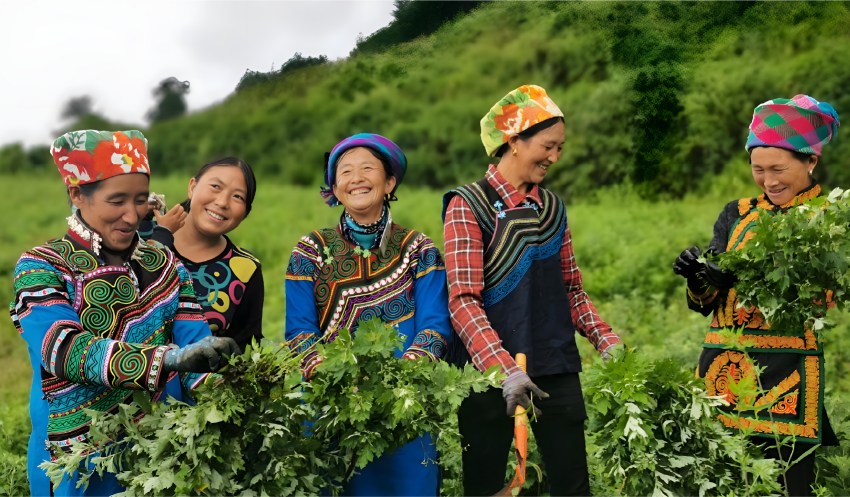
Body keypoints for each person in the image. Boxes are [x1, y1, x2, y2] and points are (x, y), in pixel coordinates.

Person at [10, 130, 239, 497]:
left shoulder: (162, 261)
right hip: (79, 461)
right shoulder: (42, 266)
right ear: (76, 194)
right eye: (117, 200)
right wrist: (168, 359)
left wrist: (225, 385)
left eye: (140, 200)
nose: (133, 216)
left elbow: (194, 340)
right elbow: (63, 350)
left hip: (162, 453)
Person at [442, 84, 623, 496]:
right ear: (515, 141)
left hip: (555, 365)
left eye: (561, 147)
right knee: (486, 485)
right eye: (548, 146)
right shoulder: (468, 205)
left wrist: (606, 340)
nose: (555, 157)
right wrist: (505, 370)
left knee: (571, 484)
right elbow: (464, 302)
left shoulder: (553, 207)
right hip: (488, 379)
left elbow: (572, 289)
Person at [673, 94, 840, 496]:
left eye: (779, 169)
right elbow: (706, 303)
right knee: (724, 478)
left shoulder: (828, 219)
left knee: (789, 480)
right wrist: (699, 278)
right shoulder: (737, 213)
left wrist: (745, 277)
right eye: (758, 169)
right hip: (722, 370)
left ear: (810, 161)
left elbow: (822, 300)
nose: (769, 181)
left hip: (787, 371)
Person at [285, 133, 452, 496]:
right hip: (332, 407)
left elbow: (435, 326)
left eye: (367, 168)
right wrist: (335, 381)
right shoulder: (309, 250)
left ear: (389, 181)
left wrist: (401, 379)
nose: (356, 177)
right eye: (345, 171)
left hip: (404, 406)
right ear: (335, 186)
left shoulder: (419, 249)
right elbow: (299, 332)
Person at [140, 157, 263, 351]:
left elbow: (246, 348)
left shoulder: (245, 269)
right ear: (192, 187)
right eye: (215, 186)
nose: (222, 202)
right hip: (129, 373)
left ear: (246, 212)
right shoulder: (139, 236)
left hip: (204, 380)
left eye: (238, 197)